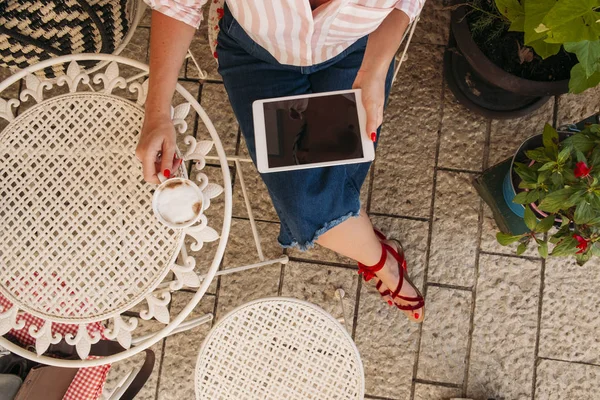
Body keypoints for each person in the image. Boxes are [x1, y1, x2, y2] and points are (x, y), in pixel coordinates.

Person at [136, 0, 426, 322]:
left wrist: (376, 68)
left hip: (360, 50)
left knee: (317, 205)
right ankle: (380, 258)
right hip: (259, 55)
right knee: (312, 205)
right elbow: (177, 4)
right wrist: (157, 112)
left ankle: (371, 249)